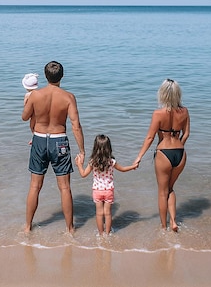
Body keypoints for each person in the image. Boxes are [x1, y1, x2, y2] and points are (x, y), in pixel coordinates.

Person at [22, 61, 85, 234]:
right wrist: (82, 150)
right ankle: (70, 229)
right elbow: (76, 125)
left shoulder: (35, 95)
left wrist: (26, 101)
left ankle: (28, 227)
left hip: (39, 139)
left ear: (45, 76)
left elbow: (24, 117)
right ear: (62, 76)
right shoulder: (68, 97)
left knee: (35, 186)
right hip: (60, 141)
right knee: (64, 187)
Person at [133, 78, 190, 232]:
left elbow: (150, 138)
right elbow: (186, 134)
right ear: (177, 94)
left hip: (164, 153)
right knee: (170, 188)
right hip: (180, 154)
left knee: (162, 192)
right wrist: (179, 146)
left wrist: (139, 157)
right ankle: (173, 221)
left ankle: (163, 227)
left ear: (163, 94)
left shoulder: (158, 113)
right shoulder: (184, 111)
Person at [75, 134, 137, 236]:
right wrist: (132, 167)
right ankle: (107, 234)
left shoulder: (92, 162)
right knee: (108, 214)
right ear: (109, 148)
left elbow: (83, 174)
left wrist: (79, 165)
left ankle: (100, 233)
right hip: (108, 190)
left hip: (97, 191)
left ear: (95, 147)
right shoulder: (111, 162)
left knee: (99, 214)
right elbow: (123, 169)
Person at [22, 73, 39, 144]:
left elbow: (25, 105)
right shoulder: (39, 93)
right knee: (38, 125)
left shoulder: (27, 95)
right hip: (39, 112)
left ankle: (34, 138)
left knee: (32, 126)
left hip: (33, 114)